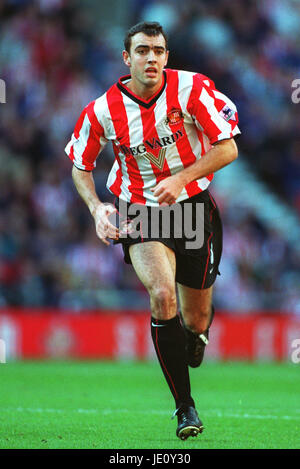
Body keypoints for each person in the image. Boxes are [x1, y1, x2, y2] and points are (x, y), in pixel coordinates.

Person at [65, 21, 240, 440]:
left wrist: (181, 179)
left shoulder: (193, 89)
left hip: (193, 208)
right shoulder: (102, 110)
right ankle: (185, 409)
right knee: (162, 296)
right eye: (142, 51)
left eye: (159, 51)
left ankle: (196, 334)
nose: (151, 58)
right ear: (127, 59)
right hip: (141, 213)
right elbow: (80, 165)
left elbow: (228, 147)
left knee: (195, 315)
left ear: (166, 56)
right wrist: (96, 208)